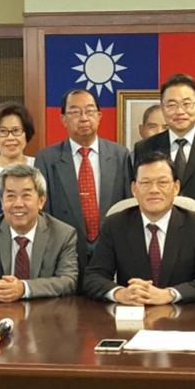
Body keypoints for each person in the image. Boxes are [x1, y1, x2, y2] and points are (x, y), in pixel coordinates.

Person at [84, 152, 195, 305]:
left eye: (162, 182)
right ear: (134, 189)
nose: (154, 190)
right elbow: (93, 277)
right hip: (133, 317)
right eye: (145, 183)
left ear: (176, 187)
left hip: (183, 319)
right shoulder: (115, 224)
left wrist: (169, 294)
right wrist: (120, 293)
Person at [131, 73, 195, 260]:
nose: (180, 111)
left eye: (187, 103)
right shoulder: (145, 148)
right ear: (162, 108)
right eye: (171, 105)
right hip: (156, 242)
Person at [34, 88, 132, 263]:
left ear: (99, 116)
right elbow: (43, 210)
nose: (84, 118)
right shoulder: (47, 158)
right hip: (64, 252)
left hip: (112, 251)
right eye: (75, 112)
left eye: (89, 111)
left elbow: (127, 205)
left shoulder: (120, 155)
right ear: (63, 119)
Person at [0, 164, 79, 301]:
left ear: (41, 200)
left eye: (26, 195)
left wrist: (24, 288)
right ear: (2, 202)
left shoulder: (63, 234)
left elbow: (68, 281)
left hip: (44, 316)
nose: (18, 204)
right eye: (11, 196)